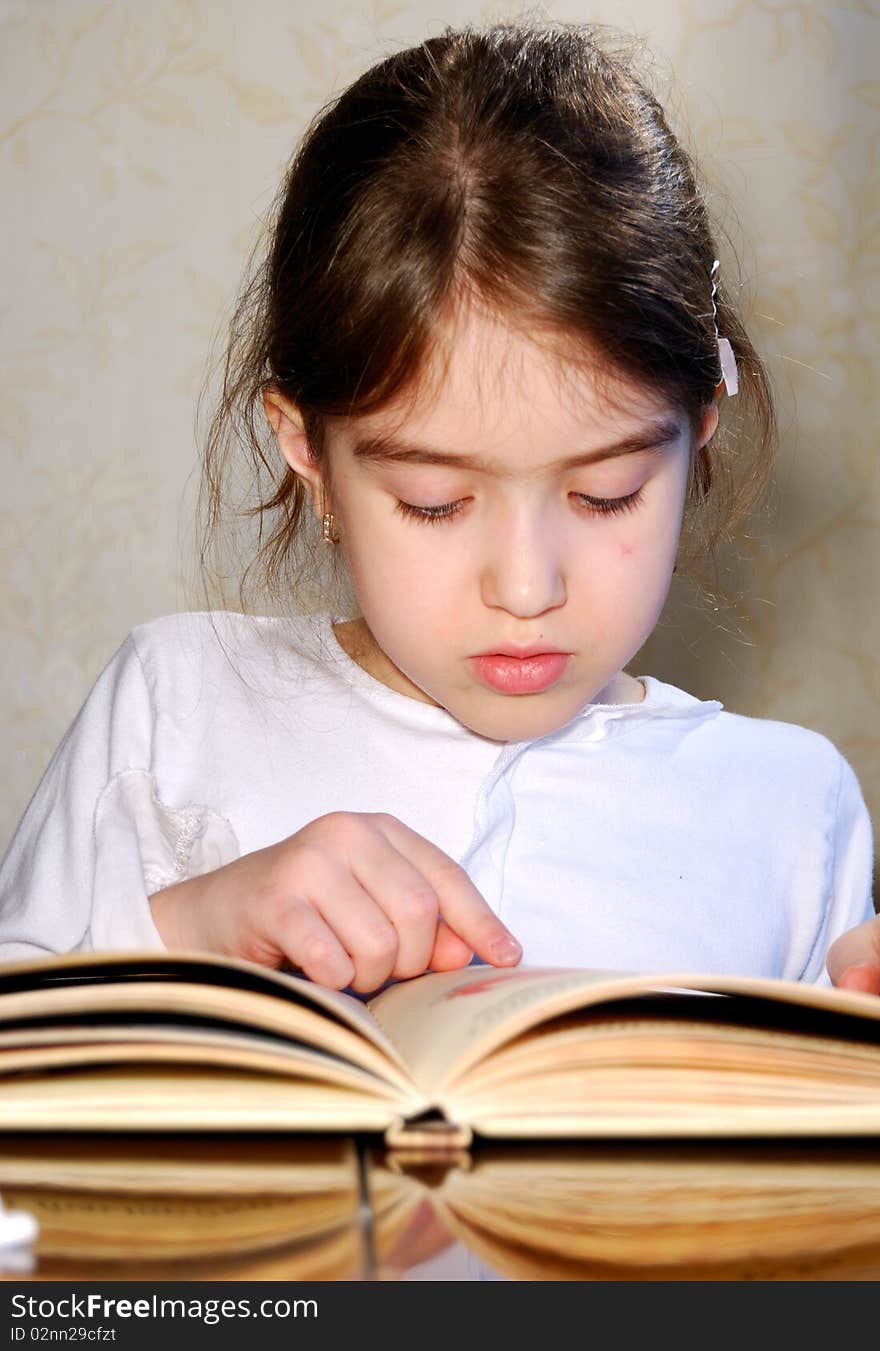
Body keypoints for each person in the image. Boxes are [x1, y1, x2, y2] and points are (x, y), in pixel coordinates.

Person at [0, 20, 875, 994]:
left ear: (700, 425)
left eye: (605, 494)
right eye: (433, 503)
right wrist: (192, 923)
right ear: (308, 452)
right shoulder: (177, 708)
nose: (525, 586)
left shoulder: (788, 807)